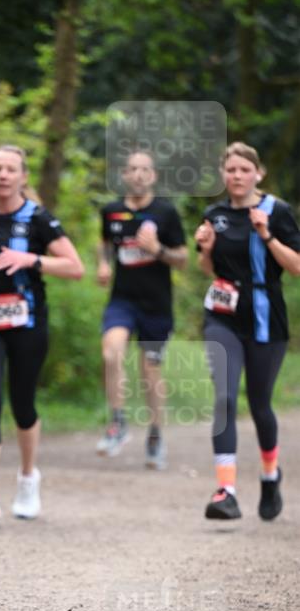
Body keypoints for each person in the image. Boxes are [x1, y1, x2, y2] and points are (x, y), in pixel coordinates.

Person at [0, 145, 84, 520]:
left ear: (23, 176)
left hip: (27, 322)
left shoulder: (38, 219)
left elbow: (74, 266)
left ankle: (28, 477)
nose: (2, 174)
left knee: (22, 403)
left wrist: (29, 259)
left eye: (10, 169)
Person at [195, 141, 300, 521]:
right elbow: (209, 269)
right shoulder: (215, 213)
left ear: (258, 173)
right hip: (221, 314)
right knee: (224, 396)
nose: (236, 176)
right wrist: (205, 249)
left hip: (265, 316)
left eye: (243, 170)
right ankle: (226, 490)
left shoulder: (277, 211)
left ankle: (270, 475)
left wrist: (268, 235)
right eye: (230, 170)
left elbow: (297, 267)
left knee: (259, 405)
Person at [96, 150, 187, 467]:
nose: (138, 175)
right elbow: (105, 243)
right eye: (132, 169)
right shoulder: (112, 211)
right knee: (111, 351)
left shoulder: (166, 212)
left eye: (144, 170)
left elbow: (183, 258)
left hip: (157, 305)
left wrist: (157, 249)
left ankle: (155, 433)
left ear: (153, 176)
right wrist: (103, 265)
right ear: (124, 174)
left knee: (150, 371)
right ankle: (118, 423)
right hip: (122, 300)